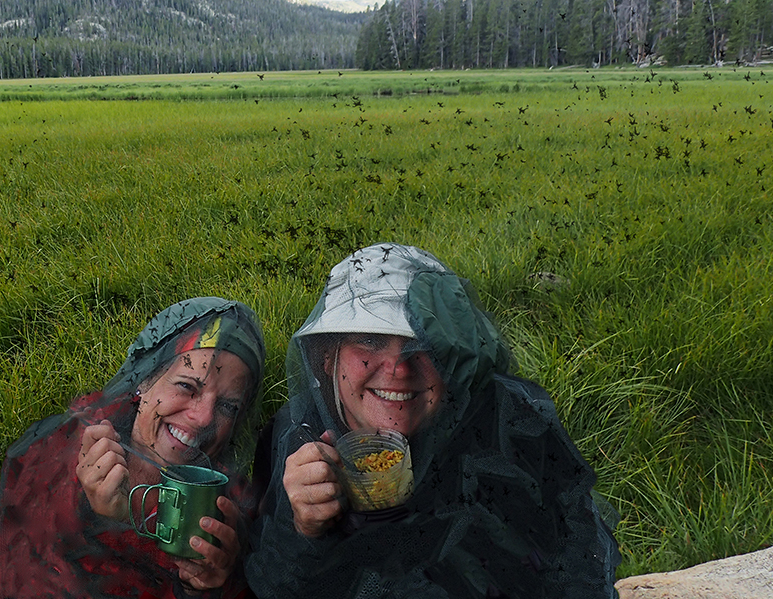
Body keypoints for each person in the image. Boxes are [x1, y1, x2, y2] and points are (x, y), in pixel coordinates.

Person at [246, 244, 621, 598]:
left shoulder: (508, 425)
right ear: (328, 358)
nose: (398, 368)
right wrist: (302, 531)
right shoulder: (297, 441)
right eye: (371, 341)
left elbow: (579, 554)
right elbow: (271, 587)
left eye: (423, 346)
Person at [0, 296, 266, 599]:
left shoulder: (227, 508)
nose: (204, 418)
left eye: (228, 407)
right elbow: (22, 565)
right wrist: (91, 511)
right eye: (186, 386)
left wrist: (203, 585)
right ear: (144, 379)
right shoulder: (68, 448)